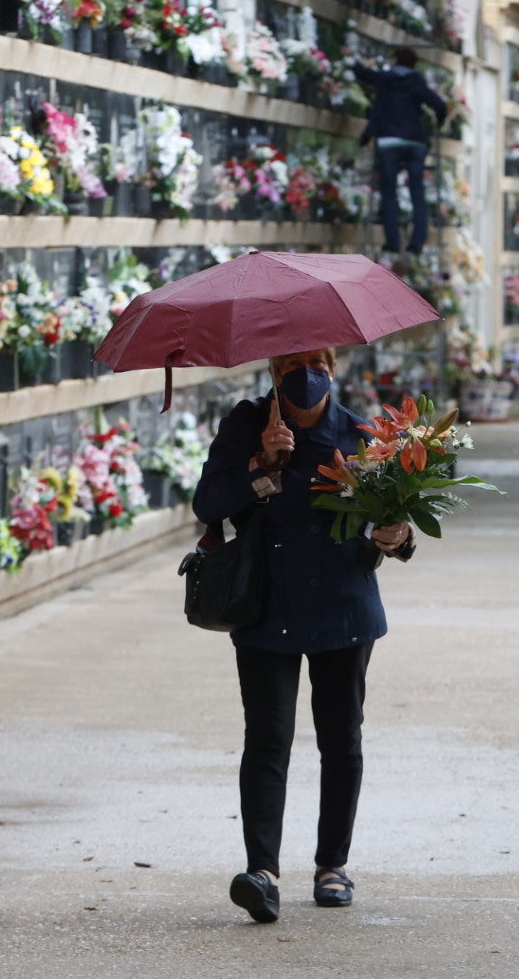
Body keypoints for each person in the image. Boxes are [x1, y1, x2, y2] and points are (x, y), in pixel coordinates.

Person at [194, 348, 416, 924]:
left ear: (334, 368)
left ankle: (331, 867)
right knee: (267, 738)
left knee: (341, 739)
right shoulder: (246, 425)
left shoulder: (363, 433)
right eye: (292, 362)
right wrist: (260, 465)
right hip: (267, 606)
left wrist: (396, 535)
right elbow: (209, 505)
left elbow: (391, 521)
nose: (306, 371)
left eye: (317, 360)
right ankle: (262, 872)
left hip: (343, 606)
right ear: (272, 372)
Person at [353, 48, 448, 257]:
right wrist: (438, 122)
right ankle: (417, 241)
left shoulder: (385, 78)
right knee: (417, 191)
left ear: (396, 60)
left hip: (389, 140)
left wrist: (362, 62)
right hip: (415, 141)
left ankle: (393, 242)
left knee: (389, 190)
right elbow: (440, 105)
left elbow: (361, 73)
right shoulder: (417, 82)